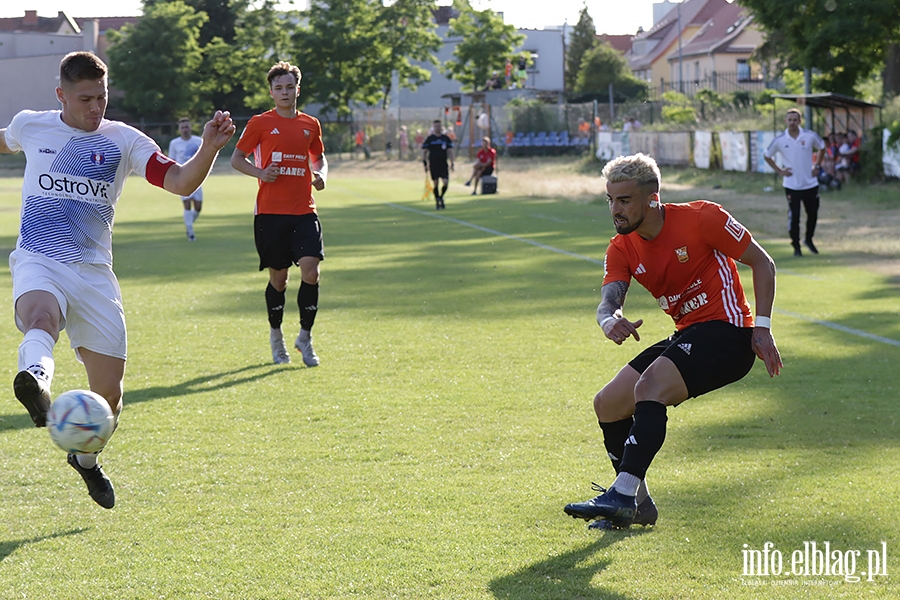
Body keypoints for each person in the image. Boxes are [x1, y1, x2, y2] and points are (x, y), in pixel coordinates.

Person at [0, 51, 234, 509]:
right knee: (40, 317)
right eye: (84, 98)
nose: (95, 108)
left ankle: (85, 462)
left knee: (109, 397)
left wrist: (210, 146)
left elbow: (181, 182)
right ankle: (36, 381)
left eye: (101, 98)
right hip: (39, 259)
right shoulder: (32, 124)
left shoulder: (123, 140)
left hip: (93, 275)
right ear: (60, 95)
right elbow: (3, 141)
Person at [563, 153, 782, 530]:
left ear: (652, 197)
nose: (615, 209)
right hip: (689, 334)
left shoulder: (702, 218)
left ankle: (621, 493)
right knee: (609, 404)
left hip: (729, 333)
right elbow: (608, 302)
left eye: (624, 200)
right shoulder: (621, 247)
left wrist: (762, 328)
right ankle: (637, 505)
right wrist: (608, 321)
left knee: (649, 387)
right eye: (610, 200)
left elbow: (763, 263)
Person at [231, 60, 327, 368]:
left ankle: (305, 337)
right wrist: (260, 172)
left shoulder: (311, 124)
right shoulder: (260, 123)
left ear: (297, 90)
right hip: (271, 214)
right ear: (272, 93)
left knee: (311, 271)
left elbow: (319, 157)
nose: (284, 92)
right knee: (280, 279)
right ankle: (276, 336)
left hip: (304, 210)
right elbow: (236, 158)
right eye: (278, 88)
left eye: (289, 87)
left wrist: (321, 173)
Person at [763, 108, 825, 256]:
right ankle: (796, 246)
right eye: (789, 120)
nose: (792, 123)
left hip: (810, 183)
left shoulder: (809, 136)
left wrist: (817, 166)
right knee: (794, 216)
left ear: (800, 121)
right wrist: (779, 170)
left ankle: (808, 239)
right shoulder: (780, 140)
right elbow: (767, 155)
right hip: (791, 185)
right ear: (785, 121)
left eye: (795, 120)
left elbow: (822, 147)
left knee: (812, 214)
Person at [167, 118, 204, 241]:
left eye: (186, 127)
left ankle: (189, 224)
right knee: (187, 203)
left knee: (198, 207)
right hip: (182, 176)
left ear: (190, 128)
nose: (185, 129)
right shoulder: (174, 143)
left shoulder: (198, 141)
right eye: (182, 127)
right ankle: (190, 231)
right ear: (179, 130)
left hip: (197, 176)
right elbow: (171, 160)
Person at [422, 119, 454, 209]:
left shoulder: (445, 138)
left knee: (445, 182)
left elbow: (450, 151)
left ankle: (441, 197)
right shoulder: (430, 139)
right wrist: (424, 163)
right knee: (435, 183)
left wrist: (452, 163)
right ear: (433, 127)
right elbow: (424, 151)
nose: (437, 128)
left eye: (439, 126)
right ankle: (437, 201)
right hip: (434, 164)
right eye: (436, 126)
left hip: (443, 164)